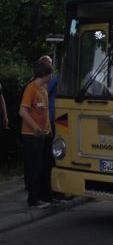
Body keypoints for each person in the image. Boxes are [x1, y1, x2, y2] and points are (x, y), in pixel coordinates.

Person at [19, 60, 55, 208]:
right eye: (51, 74)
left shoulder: (43, 89)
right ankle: (33, 199)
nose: (52, 76)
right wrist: (36, 128)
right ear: (45, 74)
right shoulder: (31, 88)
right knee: (35, 167)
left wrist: (48, 131)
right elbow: (23, 111)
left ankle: (46, 196)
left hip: (44, 134)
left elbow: (44, 112)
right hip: (32, 135)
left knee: (46, 166)